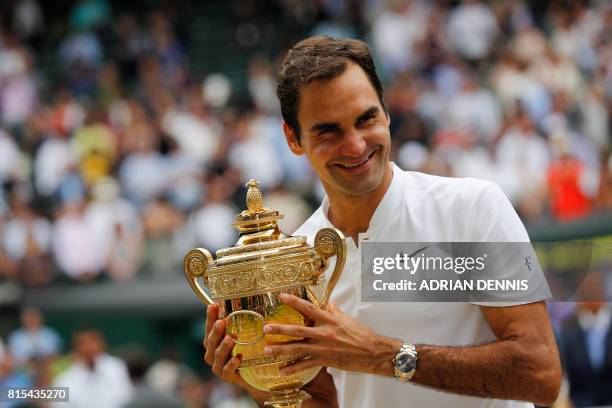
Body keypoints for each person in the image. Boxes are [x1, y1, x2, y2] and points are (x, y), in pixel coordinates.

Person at [202, 36, 561, 407]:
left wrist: (380, 355)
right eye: (329, 131)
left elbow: (540, 374)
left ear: (387, 113)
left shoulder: (473, 207)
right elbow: (329, 402)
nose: (356, 145)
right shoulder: (294, 257)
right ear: (293, 138)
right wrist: (263, 385)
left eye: (366, 119)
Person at [53, 328, 132, 408]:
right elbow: (58, 405)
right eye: (82, 343)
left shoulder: (118, 367)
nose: (88, 347)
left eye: (93, 341)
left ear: (102, 344)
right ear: (75, 347)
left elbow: (127, 397)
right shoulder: (63, 379)